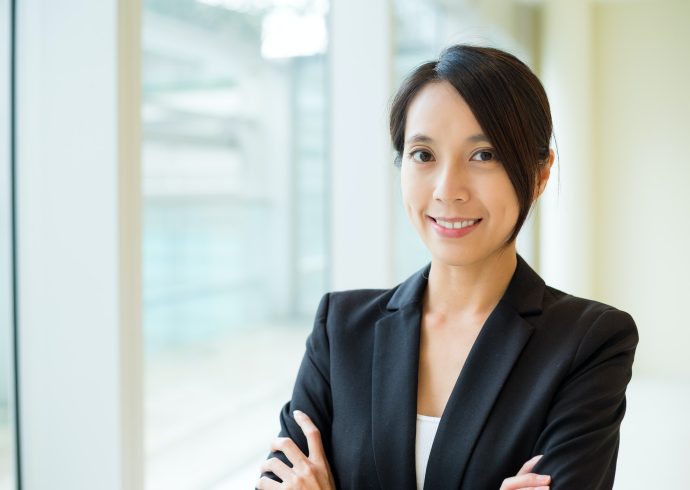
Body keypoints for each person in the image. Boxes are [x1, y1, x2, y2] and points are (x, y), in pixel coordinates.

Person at [255, 44, 638, 490]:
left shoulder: (588, 343)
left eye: (484, 155)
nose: (447, 189)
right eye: (423, 154)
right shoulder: (339, 330)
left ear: (540, 173)